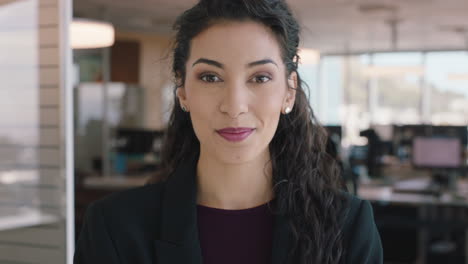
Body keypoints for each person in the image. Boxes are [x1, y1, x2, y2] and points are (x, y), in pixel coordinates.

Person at [73, 0, 383, 263]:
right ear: (182, 91)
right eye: (210, 77)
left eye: (260, 77)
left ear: (289, 92)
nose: (234, 107)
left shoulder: (348, 226)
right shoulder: (113, 227)